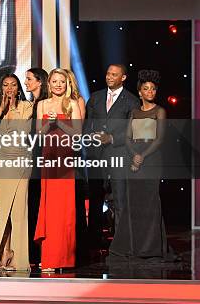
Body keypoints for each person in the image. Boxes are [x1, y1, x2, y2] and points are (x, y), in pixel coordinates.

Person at [109, 70, 173, 260]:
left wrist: (142, 156)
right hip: (133, 160)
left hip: (151, 159)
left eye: (153, 89)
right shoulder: (135, 112)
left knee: (150, 203)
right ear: (140, 92)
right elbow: (128, 138)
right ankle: (133, 247)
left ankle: (150, 248)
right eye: (146, 89)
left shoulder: (159, 111)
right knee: (133, 204)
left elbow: (160, 139)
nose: (150, 91)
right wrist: (134, 156)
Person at [83, 64, 139, 250]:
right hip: (96, 156)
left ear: (123, 77)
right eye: (108, 73)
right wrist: (89, 137)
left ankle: (120, 243)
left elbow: (136, 131)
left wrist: (113, 138)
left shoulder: (131, 101)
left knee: (120, 201)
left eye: (114, 75)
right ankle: (93, 242)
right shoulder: (96, 98)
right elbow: (87, 125)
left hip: (118, 155)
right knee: (96, 200)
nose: (109, 77)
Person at [0, 74, 33, 270]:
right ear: (1, 88)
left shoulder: (27, 107)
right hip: (1, 161)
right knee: (2, 211)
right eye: (5, 85)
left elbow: (23, 132)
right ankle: (4, 252)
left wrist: (12, 110)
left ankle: (18, 257)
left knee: (18, 211)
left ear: (18, 88)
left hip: (20, 161)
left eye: (13, 85)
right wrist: (1, 110)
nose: (9, 88)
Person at [35, 68, 82, 272]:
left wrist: (60, 122)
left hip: (65, 160)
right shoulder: (42, 104)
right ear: (49, 84)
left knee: (64, 210)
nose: (58, 85)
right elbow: (39, 132)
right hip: (49, 159)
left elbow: (78, 134)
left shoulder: (72, 104)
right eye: (54, 81)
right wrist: (49, 123)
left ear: (67, 83)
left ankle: (64, 257)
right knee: (50, 209)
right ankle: (50, 258)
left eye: (61, 81)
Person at [24, 68, 48, 265]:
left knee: (37, 203)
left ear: (40, 81)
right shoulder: (28, 103)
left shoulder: (44, 104)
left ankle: (38, 252)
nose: (26, 82)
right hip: (26, 158)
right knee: (30, 204)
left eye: (29, 79)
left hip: (39, 158)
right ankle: (30, 251)